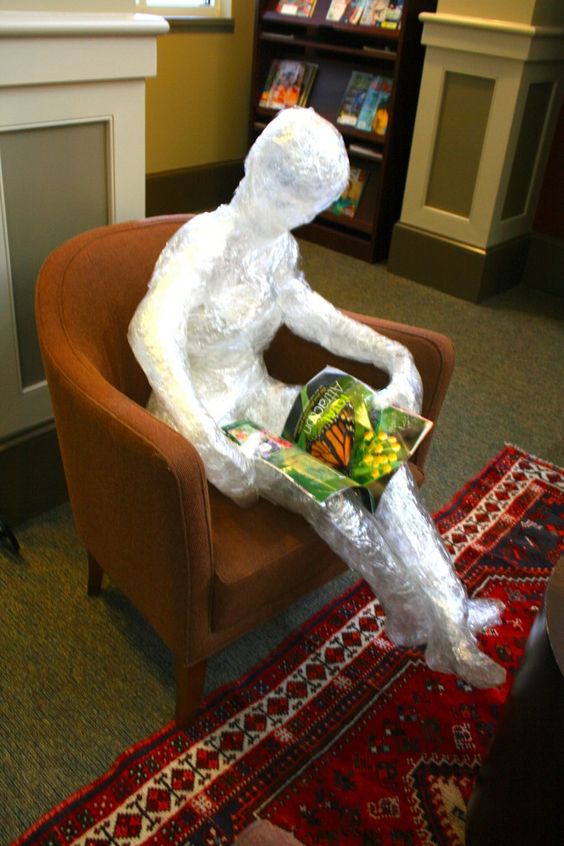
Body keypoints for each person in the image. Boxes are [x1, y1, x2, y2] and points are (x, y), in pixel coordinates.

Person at [128, 107, 505, 688]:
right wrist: (205, 436)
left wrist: (392, 354)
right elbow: (148, 330)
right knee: (327, 492)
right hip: (202, 415)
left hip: (253, 392)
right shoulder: (206, 242)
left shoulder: (276, 246)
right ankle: (411, 611)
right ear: (267, 178)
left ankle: (449, 611)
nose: (306, 217)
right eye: (303, 202)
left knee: (380, 460)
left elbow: (311, 313)